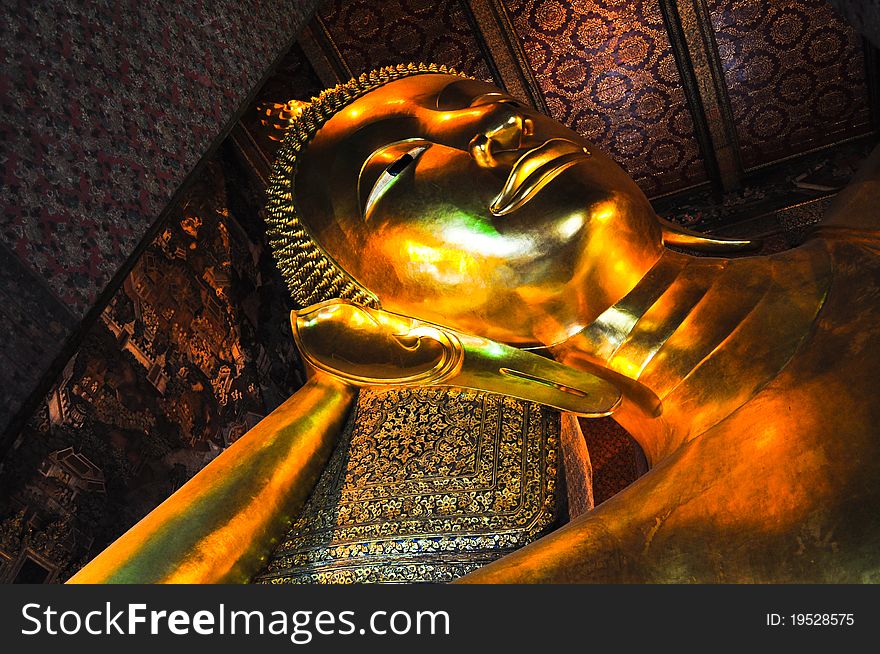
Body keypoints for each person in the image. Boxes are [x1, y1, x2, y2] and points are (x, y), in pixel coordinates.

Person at [71, 64, 880, 583]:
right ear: (393, 323)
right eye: (400, 169)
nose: (490, 129)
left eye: (473, 102)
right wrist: (331, 394)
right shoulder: (685, 548)